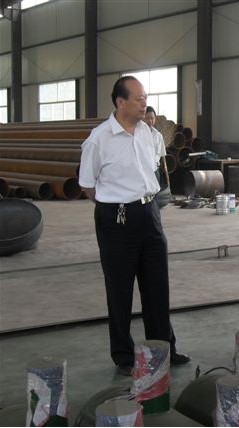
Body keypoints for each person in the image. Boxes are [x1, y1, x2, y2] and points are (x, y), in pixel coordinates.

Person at [79, 76, 190, 376]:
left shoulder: (148, 133)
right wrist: (115, 202)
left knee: (157, 286)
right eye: (139, 99)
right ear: (120, 102)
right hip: (116, 218)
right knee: (120, 289)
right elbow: (88, 185)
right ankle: (124, 357)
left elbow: (150, 170)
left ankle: (164, 347)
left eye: (145, 98)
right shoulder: (99, 139)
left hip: (150, 214)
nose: (144, 104)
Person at [143, 106, 171, 191]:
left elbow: (162, 154)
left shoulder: (158, 135)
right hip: (142, 171)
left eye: (152, 118)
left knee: (155, 193)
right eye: (147, 118)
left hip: (155, 170)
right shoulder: (138, 134)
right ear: (143, 119)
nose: (150, 121)